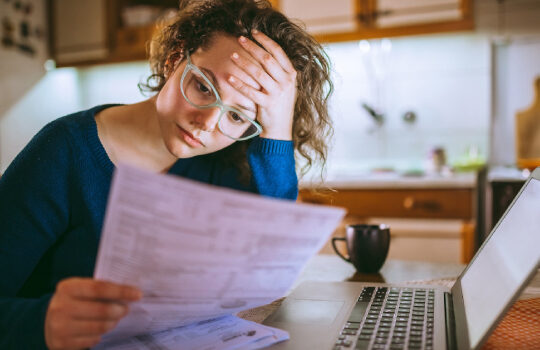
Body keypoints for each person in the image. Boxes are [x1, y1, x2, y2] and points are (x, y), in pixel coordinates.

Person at [0, 0, 333, 349]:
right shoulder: (64, 151)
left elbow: (270, 263)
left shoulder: (227, 163)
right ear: (176, 58)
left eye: (237, 117)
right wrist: (42, 322)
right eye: (203, 87)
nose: (206, 124)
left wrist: (277, 128)